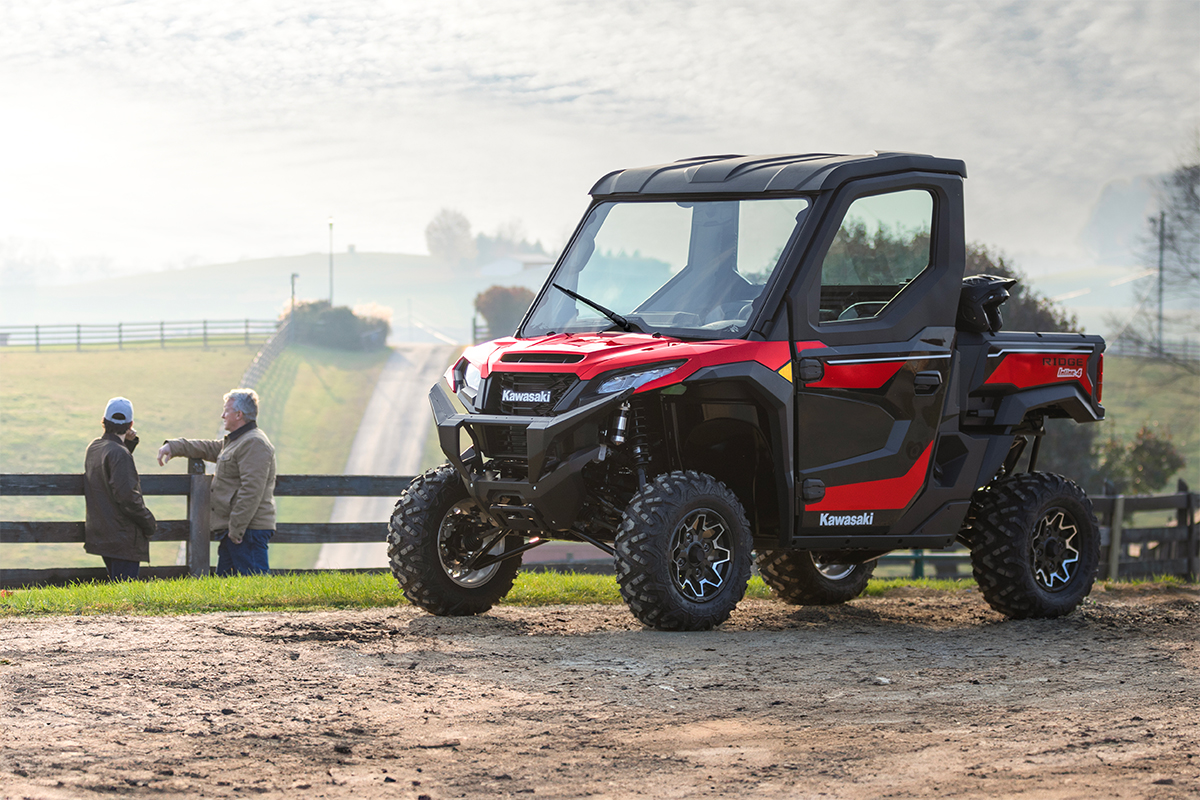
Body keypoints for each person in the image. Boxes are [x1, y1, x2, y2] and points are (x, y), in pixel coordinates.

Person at [158, 388, 277, 576]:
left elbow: (252, 490)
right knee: (229, 589)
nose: (222, 415)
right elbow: (208, 448)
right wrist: (174, 446)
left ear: (239, 415)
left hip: (247, 530)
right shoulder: (238, 442)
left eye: (226, 410)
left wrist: (236, 529)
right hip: (238, 530)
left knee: (254, 588)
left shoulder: (254, 443)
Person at [84, 397, 157, 580]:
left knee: (118, 590)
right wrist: (148, 522)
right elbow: (127, 497)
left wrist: (127, 444)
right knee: (126, 594)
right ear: (130, 424)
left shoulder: (94, 447)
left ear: (103, 421)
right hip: (122, 538)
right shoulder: (119, 453)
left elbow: (112, 469)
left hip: (103, 533)